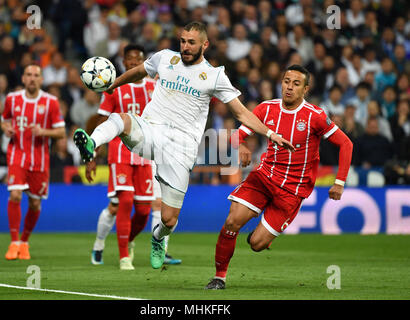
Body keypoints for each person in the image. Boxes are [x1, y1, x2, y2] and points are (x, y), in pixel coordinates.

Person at [73, 21, 294, 269]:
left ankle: (158, 237)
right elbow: (139, 72)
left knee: (169, 218)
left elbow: (242, 114)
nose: (185, 47)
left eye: (191, 43)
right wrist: (114, 84)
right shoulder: (164, 58)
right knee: (121, 119)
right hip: (152, 129)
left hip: (181, 149)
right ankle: (91, 142)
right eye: (182, 41)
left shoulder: (214, 75)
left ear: (204, 44)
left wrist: (270, 133)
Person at [205, 65, 353, 290]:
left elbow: (346, 143)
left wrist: (339, 182)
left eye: (296, 84)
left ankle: (260, 235)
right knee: (232, 222)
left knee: (256, 244)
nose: (289, 87)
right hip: (264, 177)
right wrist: (242, 145)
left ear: (305, 89)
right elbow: (237, 135)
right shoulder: (266, 109)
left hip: (293, 190)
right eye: (286, 81)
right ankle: (219, 277)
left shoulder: (316, 116)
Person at [87, 44, 180, 270]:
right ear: (124, 62)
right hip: (119, 153)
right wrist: (92, 154)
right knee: (123, 202)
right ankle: (121, 256)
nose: (133, 62)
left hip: (146, 154)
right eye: (129, 59)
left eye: (138, 59)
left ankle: (128, 240)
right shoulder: (114, 88)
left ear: (143, 62)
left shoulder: (155, 86)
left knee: (143, 210)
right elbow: (101, 122)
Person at [0, 64, 66, 260]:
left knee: (35, 203)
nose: (32, 78)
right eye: (28, 74)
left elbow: (61, 131)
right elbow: (4, 120)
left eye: (36, 75)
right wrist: (6, 129)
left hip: (39, 158)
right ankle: (13, 242)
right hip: (17, 154)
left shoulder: (51, 102)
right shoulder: (12, 99)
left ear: (41, 80)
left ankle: (24, 242)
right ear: (22, 78)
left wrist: (43, 131)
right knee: (15, 194)